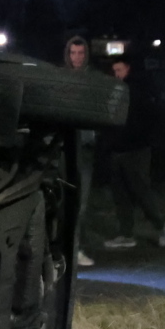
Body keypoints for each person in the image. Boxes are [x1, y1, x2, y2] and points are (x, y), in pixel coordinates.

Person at [99, 57, 165, 248]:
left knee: (140, 191)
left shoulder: (136, 90)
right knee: (120, 195)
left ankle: (161, 226)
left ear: (128, 69)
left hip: (135, 149)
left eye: (119, 70)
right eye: (114, 70)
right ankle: (126, 233)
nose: (116, 74)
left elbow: (146, 117)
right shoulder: (115, 90)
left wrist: (141, 138)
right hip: (117, 149)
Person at [61, 35, 97, 268]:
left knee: (81, 203)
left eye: (80, 53)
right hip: (64, 147)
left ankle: (76, 248)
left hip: (85, 147)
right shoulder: (62, 77)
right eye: (73, 53)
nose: (77, 58)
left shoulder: (92, 80)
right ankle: (62, 249)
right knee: (64, 199)